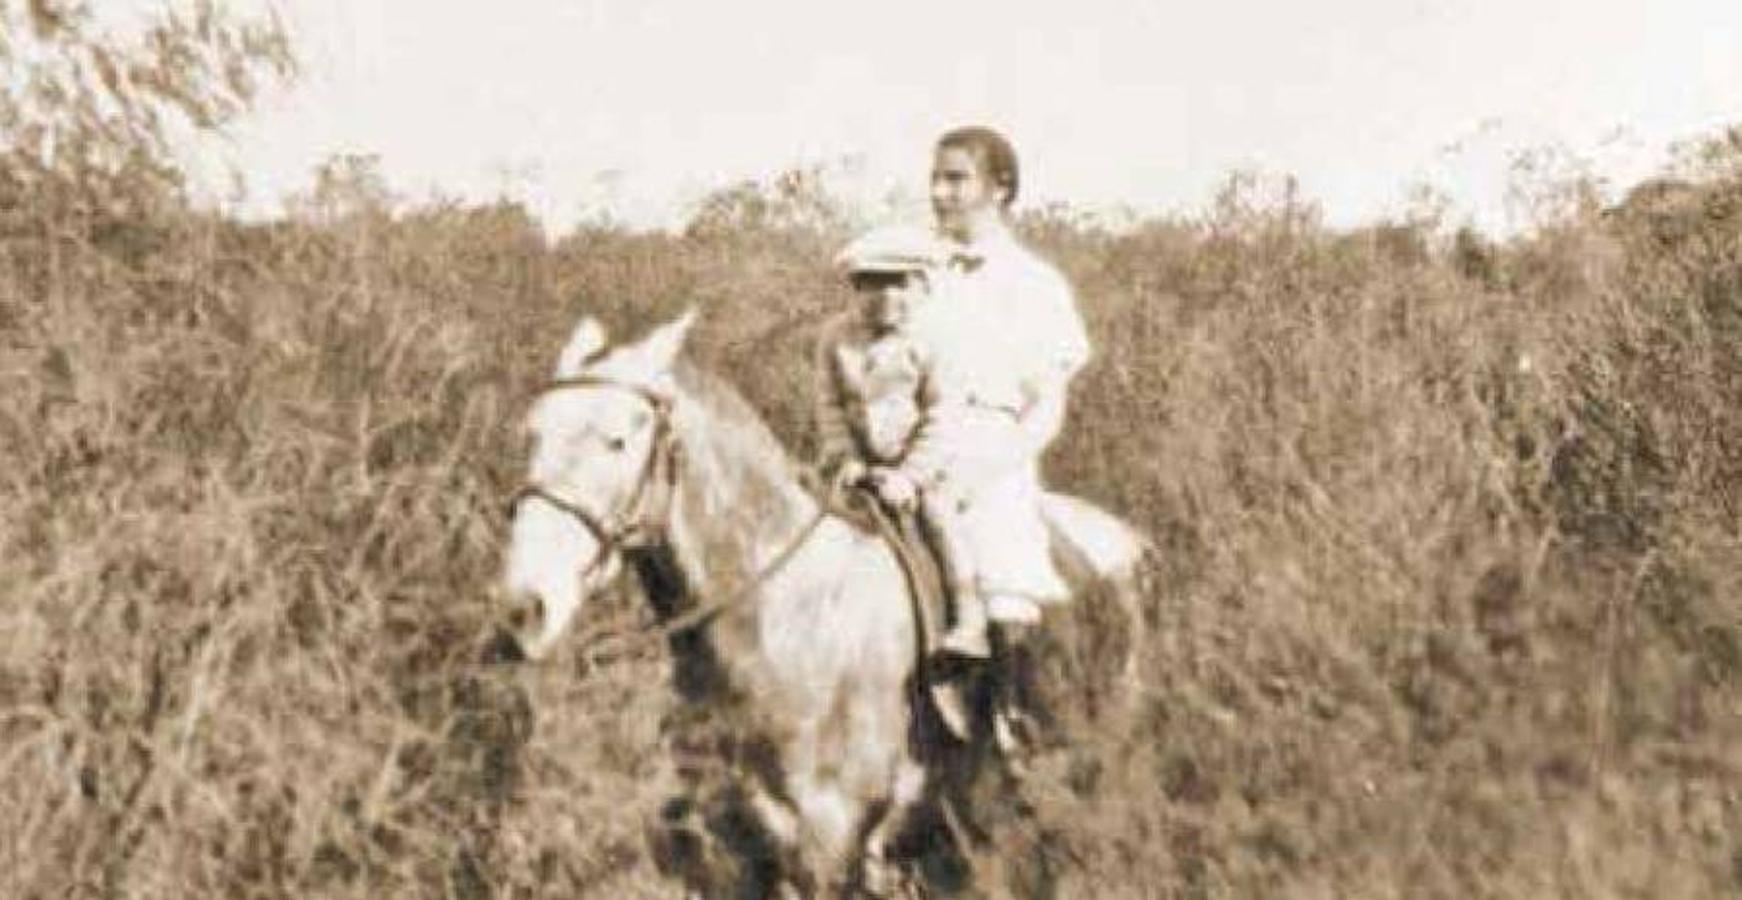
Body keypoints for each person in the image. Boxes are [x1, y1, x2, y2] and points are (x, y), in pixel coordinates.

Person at [886, 125, 1094, 755]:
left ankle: (1014, 731)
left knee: (1003, 561)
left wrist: (989, 469)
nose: (941, 194)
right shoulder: (914, 274)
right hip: (912, 440)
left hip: (992, 447)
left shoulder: (1034, 285)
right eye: (937, 179)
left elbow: (1045, 407)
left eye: (957, 180)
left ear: (999, 189)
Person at [813, 223, 992, 659]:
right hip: (861, 463)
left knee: (939, 516)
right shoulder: (836, 338)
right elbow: (830, 405)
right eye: (869, 284)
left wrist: (911, 477)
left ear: (919, 285)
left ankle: (969, 619)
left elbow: (943, 413)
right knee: (816, 516)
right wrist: (847, 458)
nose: (884, 296)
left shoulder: (935, 337)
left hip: (930, 465)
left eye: (897, 284)